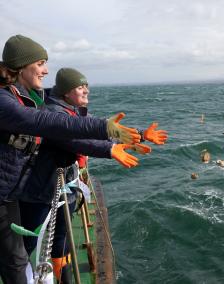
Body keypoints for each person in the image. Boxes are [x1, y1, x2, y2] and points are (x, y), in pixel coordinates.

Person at [0, 35, 142, 284]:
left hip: (10, 193)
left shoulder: (32, 96)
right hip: (10, 193)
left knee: (18, 257)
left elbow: (64, 129)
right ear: (21, 66)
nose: (45, 70)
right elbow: (48, 123)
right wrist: (106, 129)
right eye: (40, 63)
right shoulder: (4, 100)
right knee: (15, 260)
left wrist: (128, 137)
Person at [19, 67, 168, 282]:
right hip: (41, 191)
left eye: (86, 86)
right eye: (80, 87)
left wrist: (141, 135)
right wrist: (109, 150)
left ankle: (64, 278)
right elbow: (76, 140)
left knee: (61, 238)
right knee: (25, 242)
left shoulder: (73, 110)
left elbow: (96, 133)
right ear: (66, 92)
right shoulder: (52, 113)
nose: (86, 91)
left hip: (65, 187)